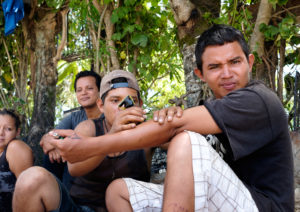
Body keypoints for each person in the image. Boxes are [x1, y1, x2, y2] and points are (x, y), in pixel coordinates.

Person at [49, 24, 294, 212]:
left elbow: (175, 132)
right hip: (221, 199)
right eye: (215, 67)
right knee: (119, 191)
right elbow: (166, 130)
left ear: (249, 62)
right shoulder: (208, 108)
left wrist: (90, 146)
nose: (227, 74)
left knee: (186, 140)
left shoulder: (258, 99)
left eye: (235, 62)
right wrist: (165, 119)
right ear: (200, 73)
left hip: (259, 205)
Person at [13, 70, 171, 212]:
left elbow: (182, 143)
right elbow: (74, 168)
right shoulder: (88, 127)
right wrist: (114, 134)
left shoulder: (148, 130)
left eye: (130, 101)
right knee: (31, 178)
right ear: (101, 105)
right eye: (115, 101)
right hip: (82, 208)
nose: (123, 108)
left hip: (128, 207)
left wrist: (171, 118)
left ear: (139, 104)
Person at [40, 70, 102, 189]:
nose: (84, 93)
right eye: (79, 90)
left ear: (99, 91)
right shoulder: (74, 116)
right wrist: (57, 145)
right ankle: (54, 195)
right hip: (74, 168)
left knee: (70, 154)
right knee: (52, 155)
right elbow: (48, 137)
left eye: (89, 88)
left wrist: (61, 144)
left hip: (100, 160)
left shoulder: (107, 114)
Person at [0, 109, 34, 212]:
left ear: (17, 132)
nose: (1, 133)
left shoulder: (15, 148)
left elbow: (29, 194)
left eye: (8, 129)